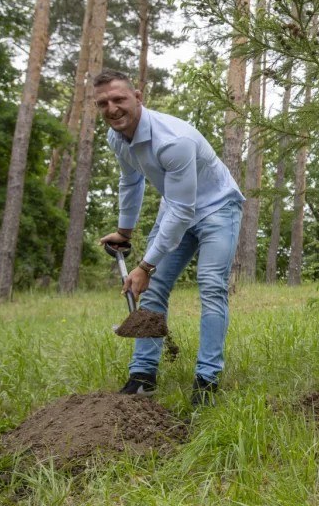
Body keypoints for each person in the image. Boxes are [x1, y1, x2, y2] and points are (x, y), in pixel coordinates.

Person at [94, 69, 244, 407]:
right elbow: (130, 181)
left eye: (119, 99)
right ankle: (142, 377)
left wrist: (145, 266)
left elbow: (181, 210)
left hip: (218, 208)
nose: (112, 109)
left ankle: (206, 381)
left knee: (211, 285)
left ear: (138, 97)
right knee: (154, 289)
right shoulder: (116, 137)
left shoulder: (173, 140)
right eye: (103, 103)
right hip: (176, 206)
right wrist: (124, 232)